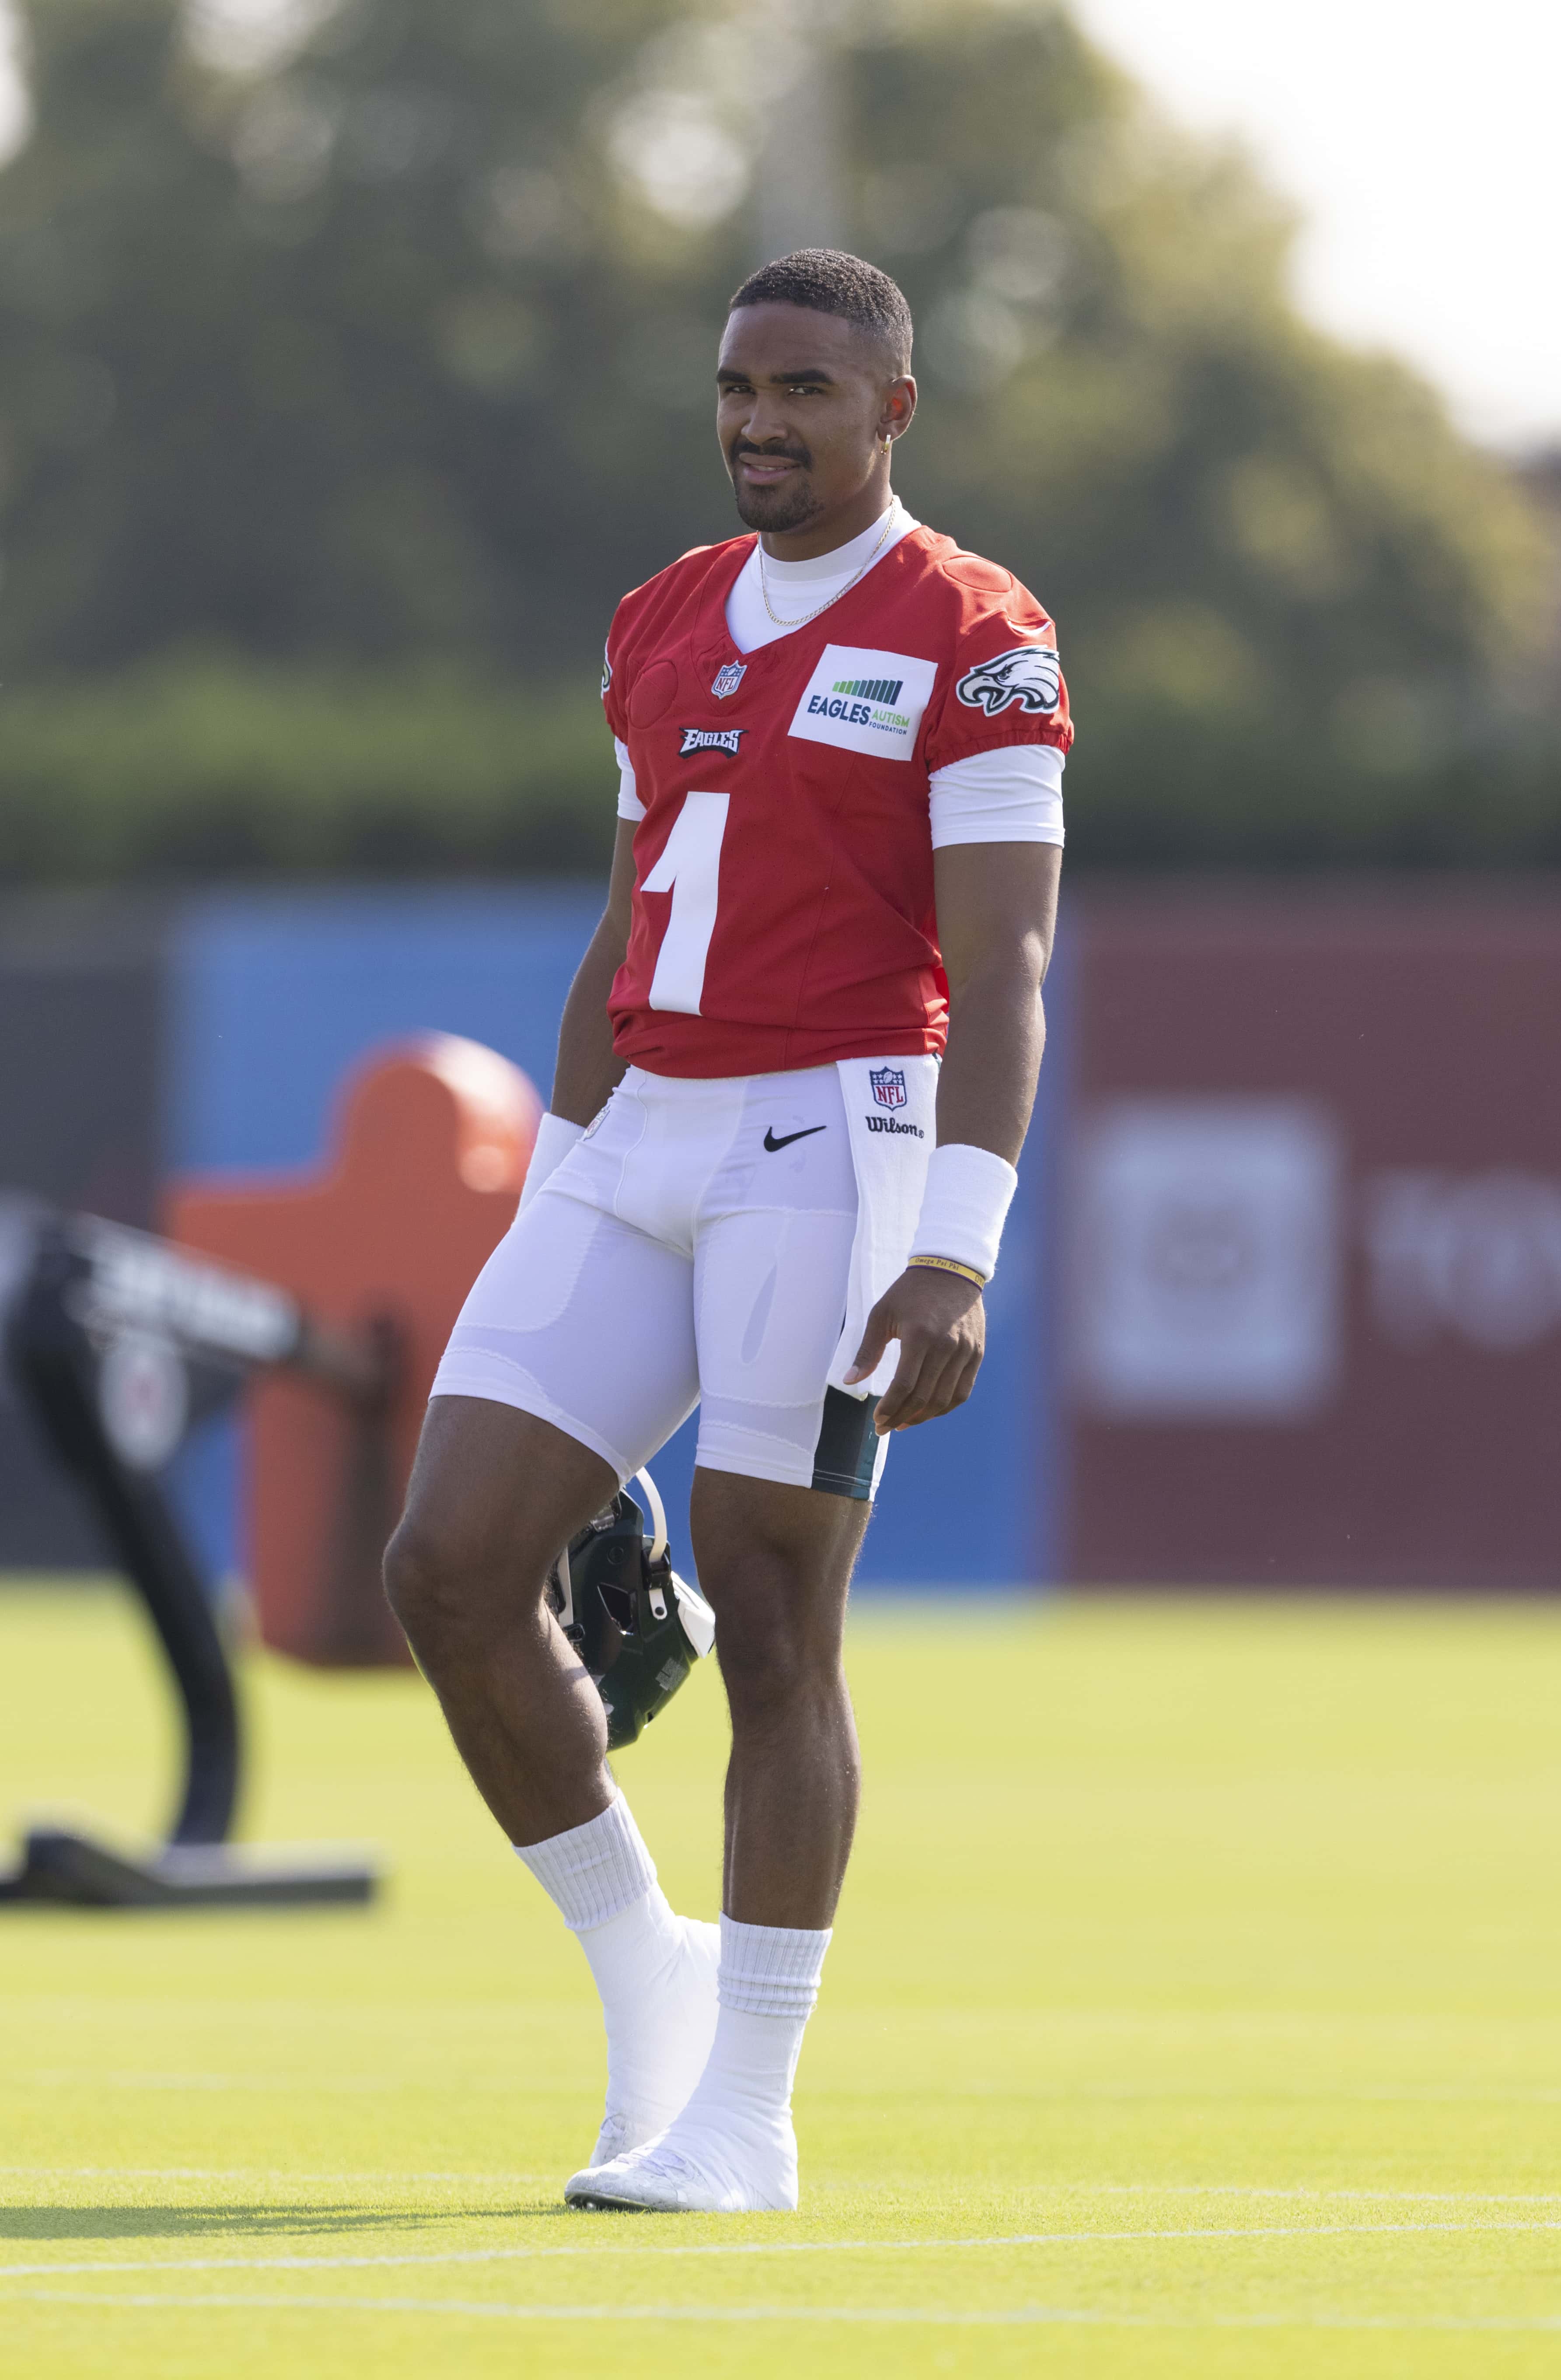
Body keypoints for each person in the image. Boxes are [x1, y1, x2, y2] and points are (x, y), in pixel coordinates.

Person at [384, 248, 1071, 2215]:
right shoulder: (664, 613)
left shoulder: (975, 626)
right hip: (637, 1135)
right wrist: (557, 1177)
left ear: (892, 412)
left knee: (774, 1623)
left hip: (830, 1143)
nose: (758, 421)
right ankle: (650, 1976)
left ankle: (748, 2117)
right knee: (448, 1563)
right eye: (735, 387)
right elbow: (623, 923)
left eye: (801, 390)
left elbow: (1006, 963)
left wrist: (958, 1244)